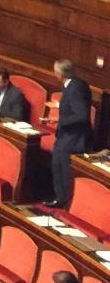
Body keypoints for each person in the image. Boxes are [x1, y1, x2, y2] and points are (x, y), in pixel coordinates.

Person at [50, 58, 93, 208]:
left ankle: (64, 203)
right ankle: (60, 200)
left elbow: (81, 115)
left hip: (72, 138)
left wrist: (60, 121)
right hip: (66, 135)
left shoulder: (75, 87)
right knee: (57, 166)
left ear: (60, 73)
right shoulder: (73, 84)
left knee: (63, 170)